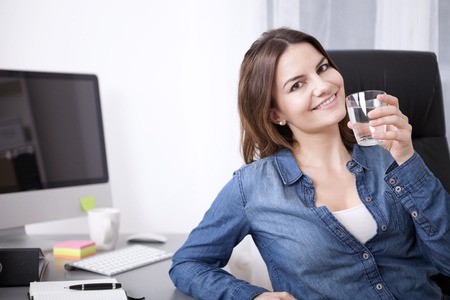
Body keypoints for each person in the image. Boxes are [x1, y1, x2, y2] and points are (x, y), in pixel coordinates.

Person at [169, 28, 450, 299]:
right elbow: (187, 264)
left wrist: (408, 160)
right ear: (275, 114)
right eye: (297, 84)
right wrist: (251, 297)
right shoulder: (252, 187)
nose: (324, 86)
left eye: (323, 68)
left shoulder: (391, 155)